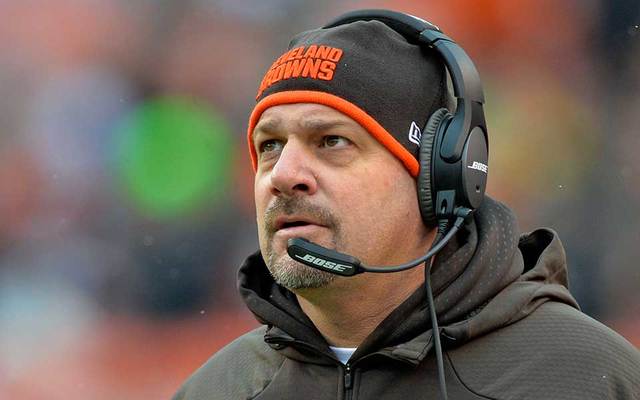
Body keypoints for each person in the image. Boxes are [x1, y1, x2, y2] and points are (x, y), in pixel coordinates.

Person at [173, 10, 640, 400]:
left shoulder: (586, 379)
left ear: (438, 175)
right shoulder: (215, 390)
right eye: (270, 145)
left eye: (331, 141)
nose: (284, 174)